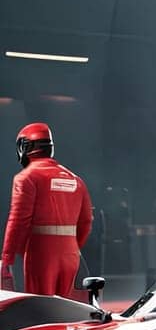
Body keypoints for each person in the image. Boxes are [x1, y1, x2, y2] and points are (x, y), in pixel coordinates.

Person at [2, 123, 92, 297]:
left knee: (43, 308)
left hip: (41, 252)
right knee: (63, 306)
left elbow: (18, 221)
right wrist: (71, 246)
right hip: (70, 254)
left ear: (26, 147)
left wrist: (7, 259)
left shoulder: (26, 178)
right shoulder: (75, 180)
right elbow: (86, 222)